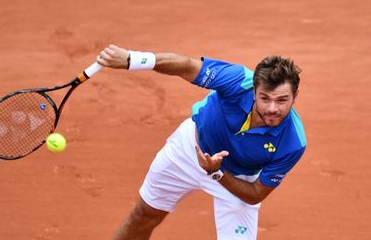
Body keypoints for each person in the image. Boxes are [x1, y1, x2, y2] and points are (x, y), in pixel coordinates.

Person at [96, 44, 306, 240]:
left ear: (294, 96)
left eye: (281, 100)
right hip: (188, 150)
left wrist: (217, 172)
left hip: (237, 178)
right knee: (144, 215)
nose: (272, 108)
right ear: (254, 92)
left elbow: (255, 194)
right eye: (265, 98)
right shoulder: (239, 80)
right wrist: (134, 59)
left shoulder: (293, 142)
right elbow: (187, 66)